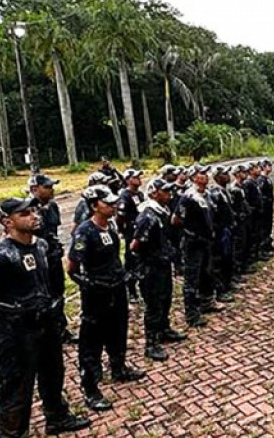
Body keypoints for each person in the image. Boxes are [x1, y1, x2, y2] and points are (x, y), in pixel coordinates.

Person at [0, 197, 90, 438]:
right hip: (15, 330)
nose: (34, 216)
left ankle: (57, 416)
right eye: (25, 213)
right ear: (8, 222)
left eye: (34, 211)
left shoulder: (41, 245)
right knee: (16, 393)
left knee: (53, 374)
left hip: (44, 323)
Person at [68, 185, 144, 411]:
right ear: (94, 206)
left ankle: (118, 368)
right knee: (92, 340)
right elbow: (72, 267)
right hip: (96, 294)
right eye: (107, 203)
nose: (113, 206)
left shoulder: (109, 227)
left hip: (116, 288)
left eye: (113, 202)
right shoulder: (85, 231)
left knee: (118, 329)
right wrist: (90, 285)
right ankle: (91, 389)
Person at [133, 178, 187, 361]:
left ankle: (164, 329)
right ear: (155, 192)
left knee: (165, 299)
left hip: (162, 265)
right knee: (154, 306)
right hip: (151, 268)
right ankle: (151, 343)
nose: (169, 194)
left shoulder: (161, 211)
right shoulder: (148, 216)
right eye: (165, 191)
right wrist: (151, 257)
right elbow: (135, 245)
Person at [28, 173, 72, 343]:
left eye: (52, 186)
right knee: (41, 297)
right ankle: (46, 332)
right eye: (47, 187)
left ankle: (61, 328)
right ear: (34, 189)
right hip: (38, 262)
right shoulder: (28, 211)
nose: (51, 190)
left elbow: (53, 232)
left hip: (53, 258)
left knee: (58, 293)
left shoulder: (52, 207)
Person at [174, 165, 219, 327]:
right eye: (201, 174)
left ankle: (206, 302)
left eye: (206, 173)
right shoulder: (188, 197)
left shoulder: (207, 194)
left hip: (206, 240)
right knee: (191, 278)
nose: (205, 176)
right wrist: (190, 231)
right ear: (193, 177)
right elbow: (176, 220)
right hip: (193, 242)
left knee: (207, 272)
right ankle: (191, 314)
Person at [208, 165, 237, 303]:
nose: (228, 176)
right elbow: (213, 216)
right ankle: (220, 290)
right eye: (224, 174)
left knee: (228, 258)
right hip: (220, 232)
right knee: (219, 260)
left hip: (228, 229)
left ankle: (227, 283)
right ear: (218, 177)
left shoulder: (225, 191)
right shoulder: (215, 193)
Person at [116, 168, 145, 303]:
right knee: (131, 262)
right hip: (131, 232)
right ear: (128, 180)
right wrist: (122, 230)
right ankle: (132, 291)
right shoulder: (125, 196)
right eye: (135, 177)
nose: (138, 179)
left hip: (140, 231)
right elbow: (120, 217)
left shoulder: (139, 194)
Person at [228, 164, 253, 280]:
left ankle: (243, 265)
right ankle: (236, 271)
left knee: (245, 243)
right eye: (243, 172)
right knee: (238, 246)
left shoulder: (242, 186)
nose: (246, 173)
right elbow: (233, 207)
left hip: (245, 220)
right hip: (238, 222)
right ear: (237, 173)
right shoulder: (234, 188)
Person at [243, 162, 266, 264]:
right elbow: (247, 200)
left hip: (259, 213)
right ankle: (252, 255)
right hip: (253, 214)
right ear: (251, 171)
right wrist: (252, 210)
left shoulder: (255, 182)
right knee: (253, 234)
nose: (259, 169)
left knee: (258, 233)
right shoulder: (248, 183)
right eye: (256, 168)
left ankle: (258, 252)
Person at [258, 159, 274, 254]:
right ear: (264, 167)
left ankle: (268, 244)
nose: (270, 168)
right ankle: (263, 247)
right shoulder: (261, 180)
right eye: (268, 166)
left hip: (269, 207)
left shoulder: (267, 178)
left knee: (269, 226)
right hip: (264, 208)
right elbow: (261, 195)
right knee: (264, 227)